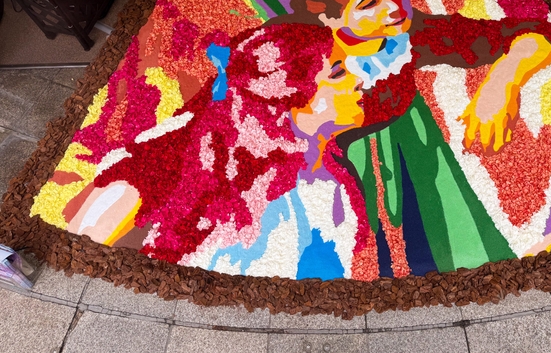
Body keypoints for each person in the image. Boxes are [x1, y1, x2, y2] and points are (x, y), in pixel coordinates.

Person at [270, 0, 551, 277]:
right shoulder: (289, 44)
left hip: (397, 166)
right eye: (369, 3)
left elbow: (537, 34)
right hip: (309, 170)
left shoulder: (410, 34)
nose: (393, 7)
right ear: (329, 16)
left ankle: (492, 258)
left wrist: (502, 83)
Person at [65, 23, 371, 280]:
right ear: (286, 98)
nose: (359, 81)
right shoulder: (174, 158)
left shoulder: (326, 177)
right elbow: (81, 241)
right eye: (337, 73)